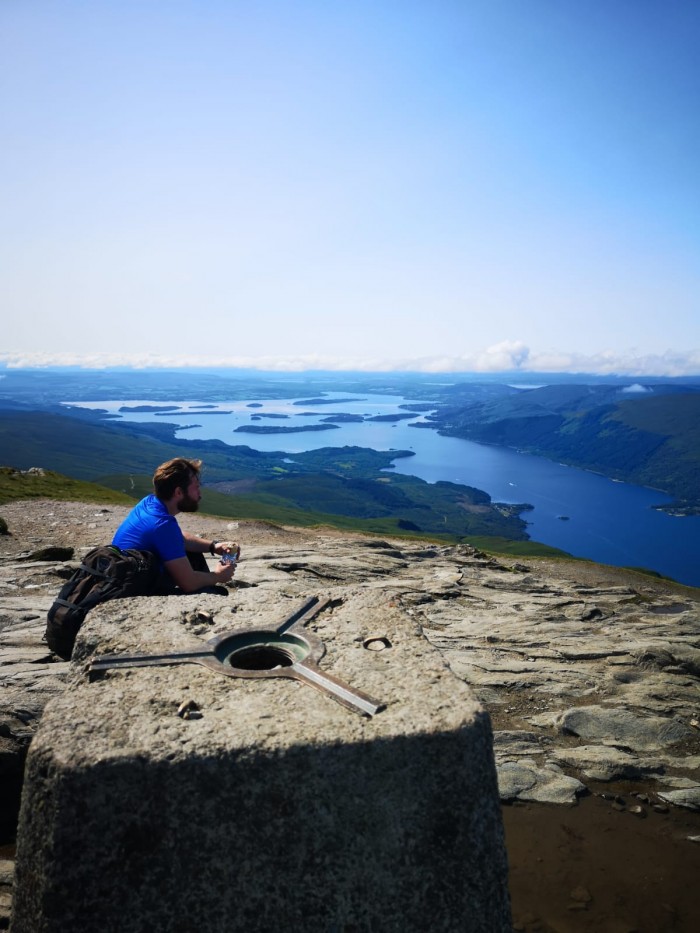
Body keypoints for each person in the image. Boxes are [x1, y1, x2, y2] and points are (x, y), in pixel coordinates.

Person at [112, 457, 239, 594]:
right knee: (218, 592)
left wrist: (213, 546)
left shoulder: (149, 502)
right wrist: (218, 576)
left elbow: (177, 539)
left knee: (193, 555)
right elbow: (189, 584)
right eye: (196, 487)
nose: (200, 494)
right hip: (131, 590)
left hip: (124, 575)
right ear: (178, 492)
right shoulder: (162, 524)